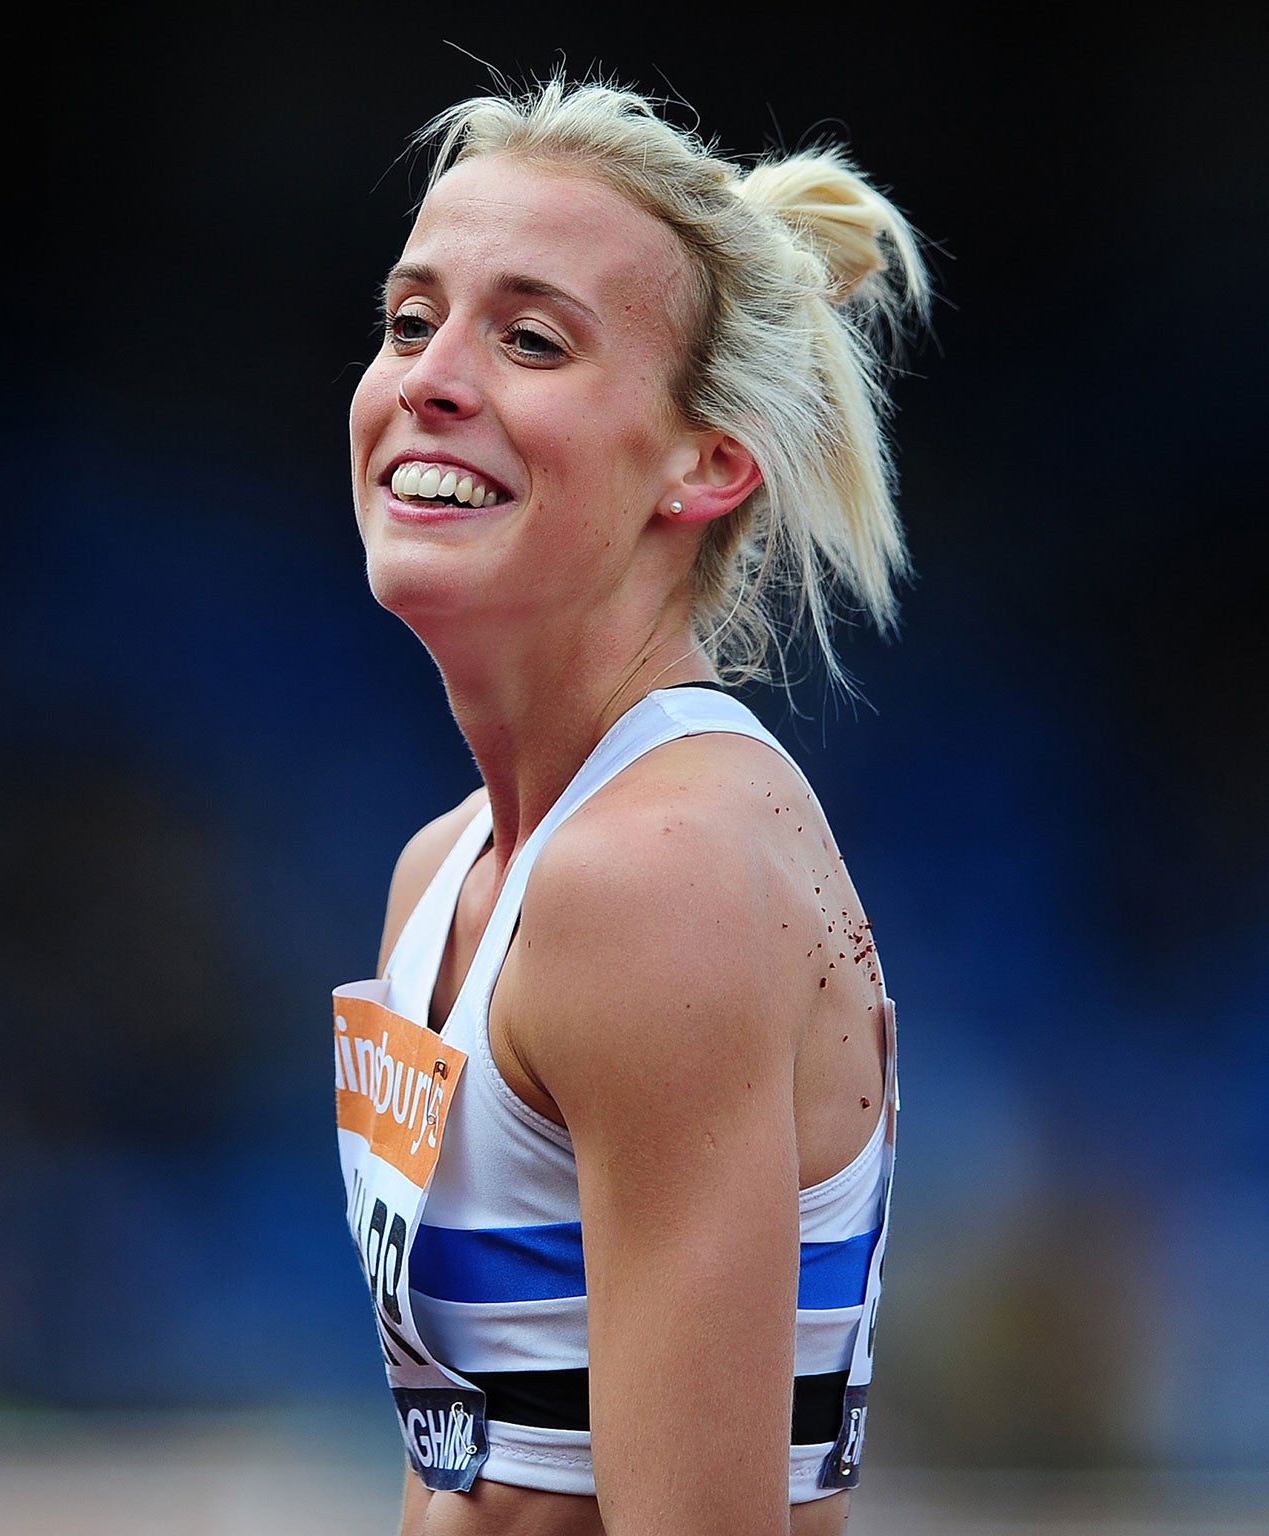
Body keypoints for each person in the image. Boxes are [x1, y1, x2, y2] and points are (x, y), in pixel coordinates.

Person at [332, 75, 928, 1535]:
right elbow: (468, 1473)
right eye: (412, 321)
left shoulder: (654, 879)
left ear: (706, 465)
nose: (433, 378)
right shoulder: (449, 873)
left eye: (529, 338)